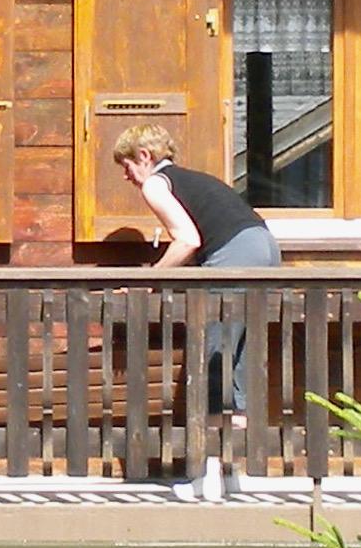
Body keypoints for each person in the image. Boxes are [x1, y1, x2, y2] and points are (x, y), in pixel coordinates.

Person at [111, 123, 280, 501]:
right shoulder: (193, 179)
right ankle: (233, 473)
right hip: (266, 249)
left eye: (126, 165)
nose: (126, 176)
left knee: (211, 361)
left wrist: (147, 282)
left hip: (235, 256)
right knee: (237, 366)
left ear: (144, 156)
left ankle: (207, 479)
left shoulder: (157, 183)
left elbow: (188, 239)